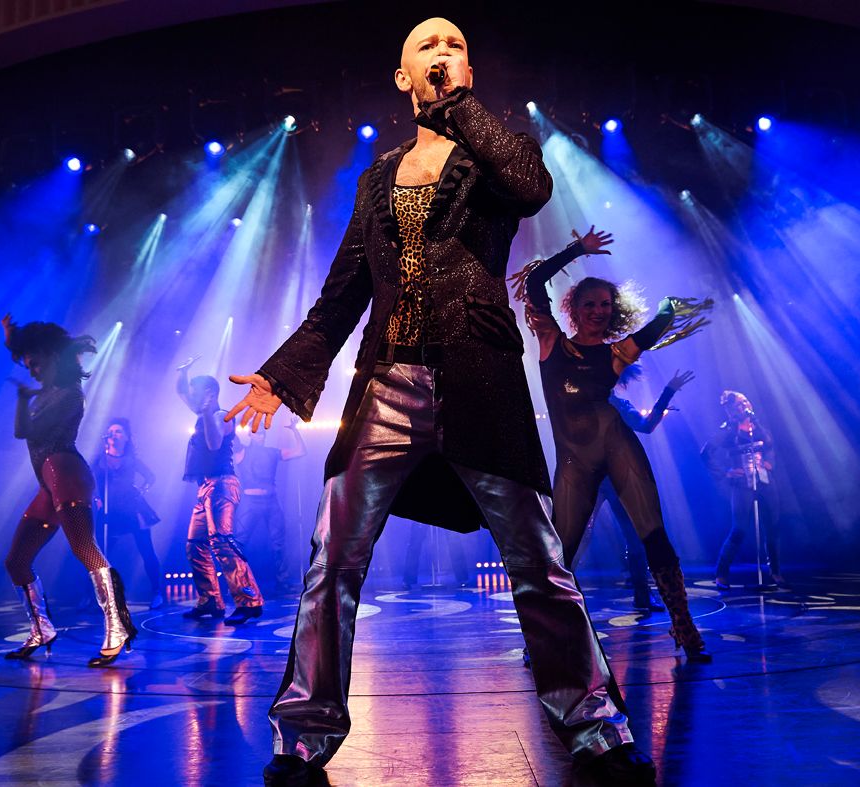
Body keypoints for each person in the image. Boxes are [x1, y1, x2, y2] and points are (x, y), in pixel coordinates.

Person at [226, 19, 656, 785]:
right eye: (427, 46)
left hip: (478, 380)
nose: (441, 53)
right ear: (401, 76)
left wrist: (458, 108)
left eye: (454, 45)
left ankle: (595, 726)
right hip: (384, 385)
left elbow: (530, 189)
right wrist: (281, 373)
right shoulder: (376, 178)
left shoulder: (495, 152)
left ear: (467, 70)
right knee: (333, 559)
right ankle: (303, 735)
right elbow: (343, 292)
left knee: (538, 560)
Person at [516, 227, 712, 663]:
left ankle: (684, 625)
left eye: (606, 305)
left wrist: (668, 305)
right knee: (560, 553)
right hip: (574, 460)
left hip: (619, 447)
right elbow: (534, 283)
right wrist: (577, 249)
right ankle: (542, 636)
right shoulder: (550, 342)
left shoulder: (618, 353)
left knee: (653, 535)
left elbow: (656, 326)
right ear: (574, 308)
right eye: (590, 304)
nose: (599, 312)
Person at [0, 315, 136, 667]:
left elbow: (25, 431)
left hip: (67, 473)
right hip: (49, 483)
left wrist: (22, 399)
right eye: (27, 365)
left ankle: (118, 626)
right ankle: (41, 629)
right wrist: (13, 340)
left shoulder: (70, 394)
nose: (32, 371)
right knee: (16, 561)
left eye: (35, 364)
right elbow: (23, 430)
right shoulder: (44, 393)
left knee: (84, 549)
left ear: (52, 357)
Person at [575, 366, 695, 611]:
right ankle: (641, 597)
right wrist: (667, 393)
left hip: (599, 478)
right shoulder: (613, 404)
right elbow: (646, 425)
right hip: (608, 478)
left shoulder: (589, 403)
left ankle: (558, 592)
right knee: (624, 537)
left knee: (580, 536)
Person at [175, 357, 263, 625]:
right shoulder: (203, 413)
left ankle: (249, 601)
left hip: (223, 484)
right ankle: (210, 600)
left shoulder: (221, 415)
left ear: (210, 394)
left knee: (222, 541)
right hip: (205, 486)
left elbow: (214, 445)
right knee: (195, 545)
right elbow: (181, 392)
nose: (191, 397)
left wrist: (204, 413)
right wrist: (184, 372)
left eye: (196, 392)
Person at [701, 390, 786, 590]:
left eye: (745, 402)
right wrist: (726, 472)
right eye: (739, 405)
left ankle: (775, 572)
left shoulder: (758, 426)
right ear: (731, 410)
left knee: (772, 527)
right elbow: (706, 452)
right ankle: (721, 574)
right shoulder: (728, 430)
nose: (744, 406)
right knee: (739, 529)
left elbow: (770, 445)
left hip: (765, 481)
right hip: (742, 484)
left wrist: (769, 462)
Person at [92, 418, 164, 609]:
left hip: (133, 508)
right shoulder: (100, 459)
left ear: (126, 437)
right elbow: (89, 480)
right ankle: (93, 595)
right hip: (110, 509)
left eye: (119, 431)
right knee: (101, 553)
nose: (114, 434)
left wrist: (141, 490)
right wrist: (96, 497)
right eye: (111, 431)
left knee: (147, 550)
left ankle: (157, 592)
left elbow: (150, 477)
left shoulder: (132, 460)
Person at [232, 414, 306, 595]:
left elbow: (300, 451)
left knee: (279, 542)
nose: (261, 436)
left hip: (271, 502)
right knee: (239, 542)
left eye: (263, 432)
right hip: (250, 502)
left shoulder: (272, 452)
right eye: (257, 432)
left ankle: (283, 582)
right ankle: (235, 582)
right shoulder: (241, 452)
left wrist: (295, 430)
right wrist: (236, 422)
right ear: (250, 434)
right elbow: (229, 437)